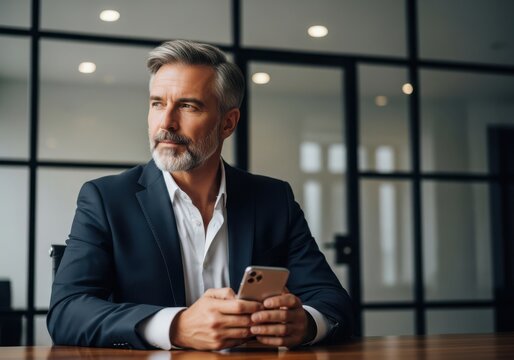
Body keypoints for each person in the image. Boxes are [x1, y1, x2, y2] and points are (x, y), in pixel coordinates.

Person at [47, 40, 353, 350]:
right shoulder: (105, 199)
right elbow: (66, 312)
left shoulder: (274, 199)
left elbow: (333, 302)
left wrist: (306, 323)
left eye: (187, 106)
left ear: (228, 123)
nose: (166, 123)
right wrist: (176, 327)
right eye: (157, 104)